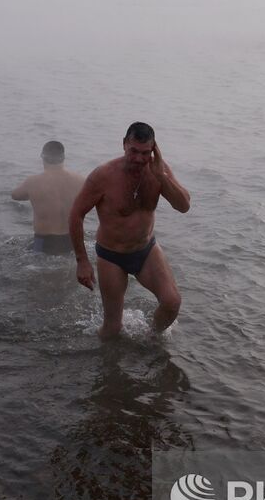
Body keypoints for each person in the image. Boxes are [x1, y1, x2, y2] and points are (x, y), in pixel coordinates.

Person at [69, 122, 191, 338]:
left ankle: (150, 339)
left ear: (154, 149)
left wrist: (161, 176)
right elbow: (75, 214)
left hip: (146, 250)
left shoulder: (159, 170)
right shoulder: (103, 175)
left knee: (172, 303)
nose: (138, 158)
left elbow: (183, 206)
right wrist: (82, 261)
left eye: (145, 153)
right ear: (124, 144)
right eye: (133, 150)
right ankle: (105, 365)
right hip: (111, 256)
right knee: (112, 328)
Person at [12, 140, 84, 254]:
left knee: (37, 268)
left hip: (43, 241)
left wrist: (35, 194)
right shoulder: (80, 180)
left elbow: (15, 195)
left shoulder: (33, 182)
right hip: (71, 240)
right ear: (64, 157)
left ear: (42, 157)